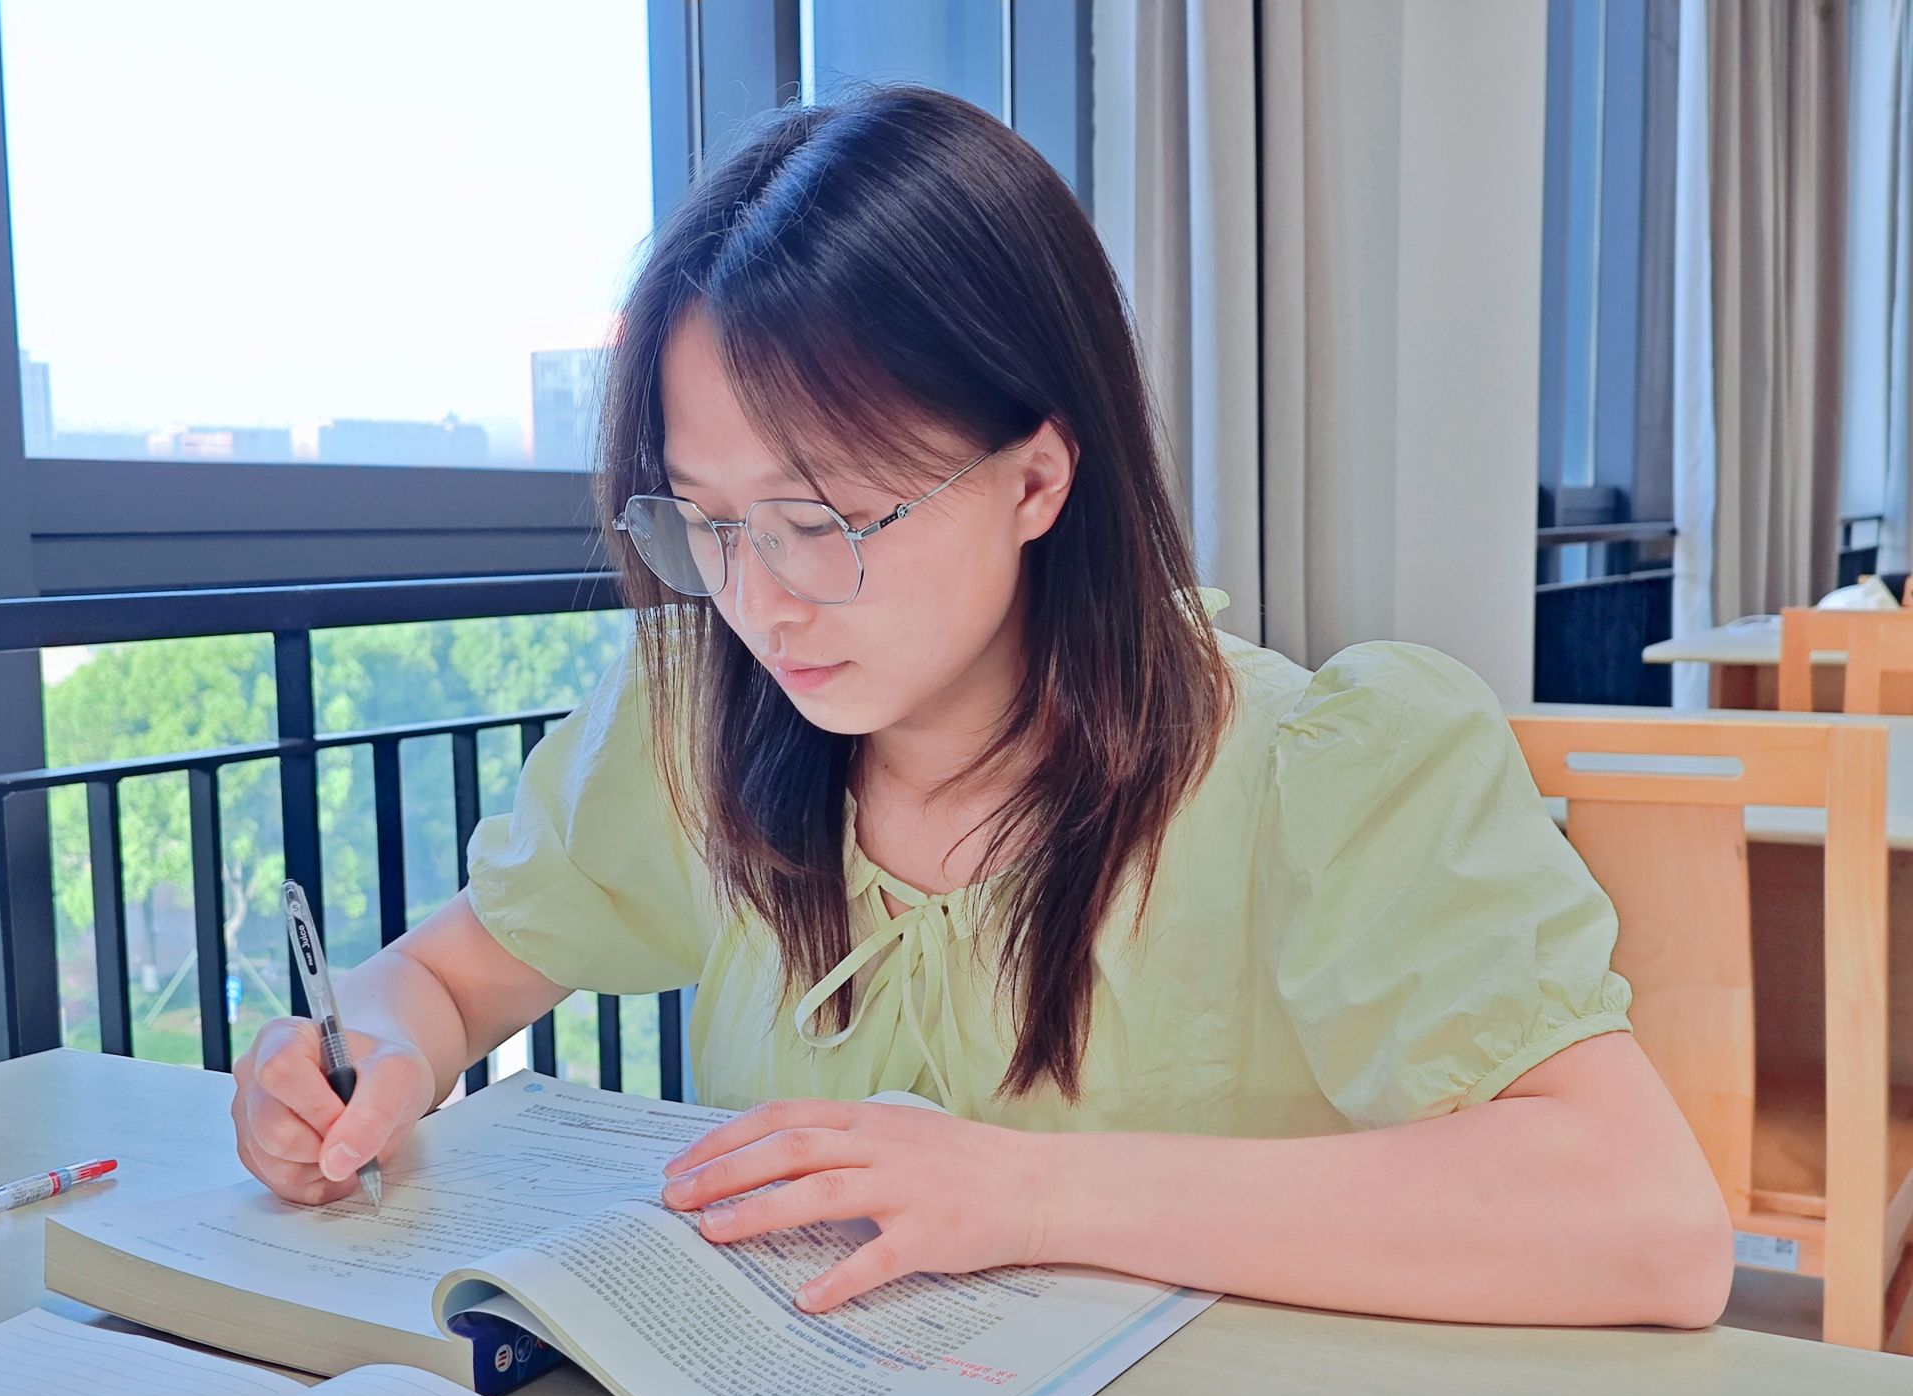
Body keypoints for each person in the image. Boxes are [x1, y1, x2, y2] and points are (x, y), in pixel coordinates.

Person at [230, 85, 1733, 1330]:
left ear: (1035, 478)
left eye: (823, 518)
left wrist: (1025, 1193)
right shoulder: (702, 731)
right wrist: (368, 1059)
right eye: (708, 522)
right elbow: (443, 981)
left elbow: (1644, 1221)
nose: (761, 599)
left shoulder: (1318, 774)